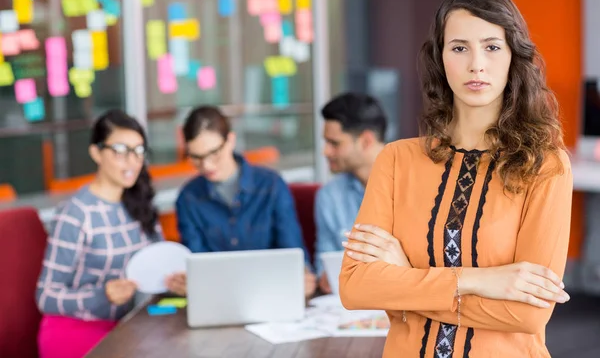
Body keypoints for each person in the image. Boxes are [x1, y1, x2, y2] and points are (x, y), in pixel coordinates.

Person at [339, 0, 573, 357]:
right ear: (440, 58)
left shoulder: (545, 165)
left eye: (492, 47)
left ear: (513, 56)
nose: (476, 64)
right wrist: (479, 280)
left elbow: (528, 313)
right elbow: (355, 288)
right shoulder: (395, 160)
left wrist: (406, 282)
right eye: (459, 47)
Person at [35, 110, 184, 358]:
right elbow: (45, 295)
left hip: (130, 324)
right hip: (78, 329)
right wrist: (101, 295)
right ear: (96, 153)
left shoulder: (140, 203)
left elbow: (158, 265)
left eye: (138, 151)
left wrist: (176, 281)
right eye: (120, 150)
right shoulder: (75, 214)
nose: (132, 161)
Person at [175, 105, 316, 297]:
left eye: (214, 153)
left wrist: (303, 276)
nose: (206, 165)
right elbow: (197, 263)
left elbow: (292, 251)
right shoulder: (188, 197)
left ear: (231, 140)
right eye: (196, 157)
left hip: (273, 292)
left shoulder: (271, 185)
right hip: (218, 296)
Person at [314, 92, 387, 293]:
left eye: (334, 143)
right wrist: (326, 278)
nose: (325, 152)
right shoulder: (329, 196)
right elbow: (324, 266)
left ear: (365, 141)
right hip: (349, 307)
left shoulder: (417, 183)